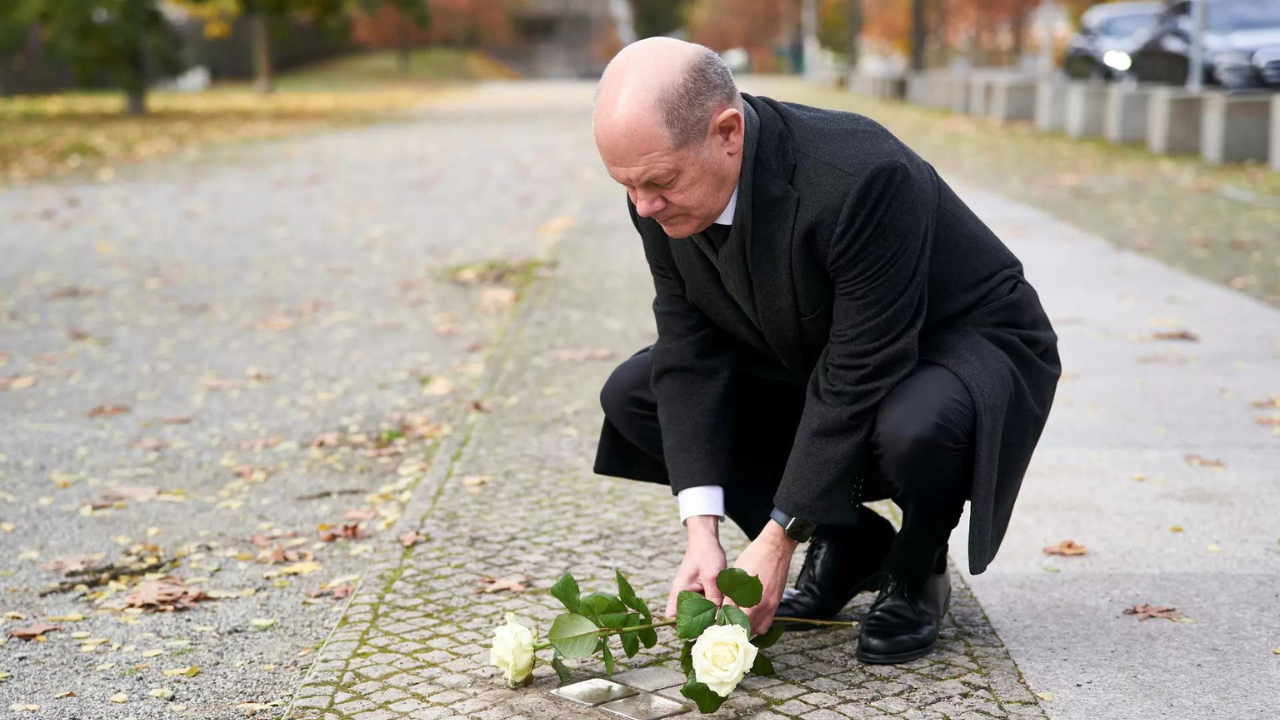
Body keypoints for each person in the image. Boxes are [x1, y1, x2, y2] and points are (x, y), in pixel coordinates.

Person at [591, 37, 1060, 665]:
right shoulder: (655, 190)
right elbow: (688, 347)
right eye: (627, 186)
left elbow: (860, 369)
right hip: (812, 343)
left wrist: (777, 537)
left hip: (958, 343)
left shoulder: (861, 175)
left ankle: (916, 565)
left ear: (727, 132)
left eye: (659, 183)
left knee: (917, 426)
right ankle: (852, 541)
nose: (644, 206)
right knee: (634, 394)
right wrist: (701, 531)